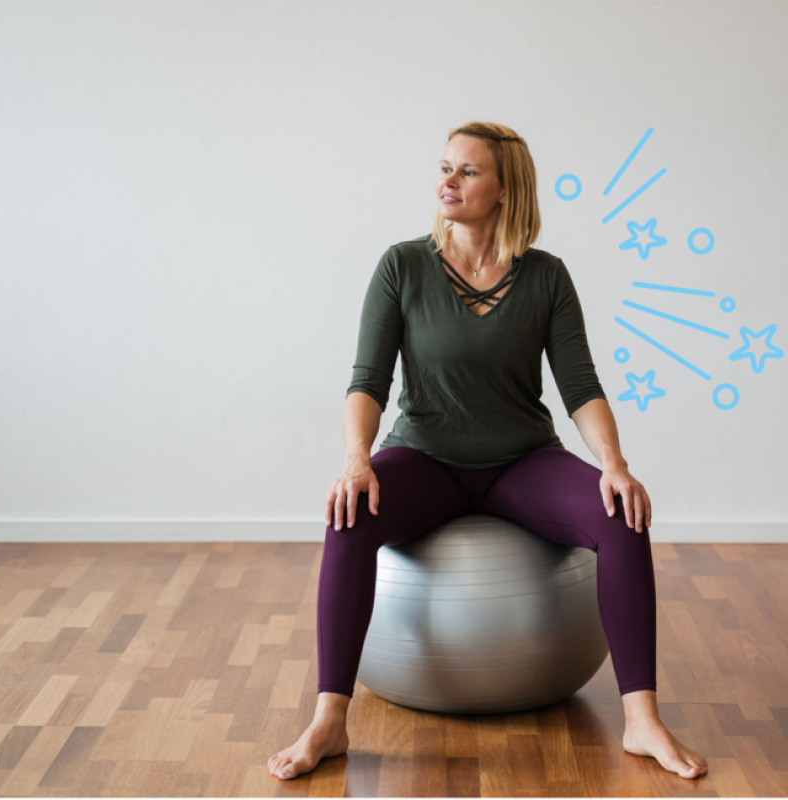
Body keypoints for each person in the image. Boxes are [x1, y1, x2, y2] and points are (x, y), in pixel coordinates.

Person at [268, 122, 709, 782]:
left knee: (624, 516)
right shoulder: (403, 266)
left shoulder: (547, 278)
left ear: (506, 190)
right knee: (348, 513)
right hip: (424, 457)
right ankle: (330, 719)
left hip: (521, 461)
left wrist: (614, 464)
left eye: (468, 171)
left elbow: (580, 386)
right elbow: (368, 381)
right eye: (444, 167)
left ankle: (642, 720)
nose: (448, 180)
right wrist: (357, 457)